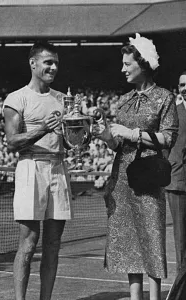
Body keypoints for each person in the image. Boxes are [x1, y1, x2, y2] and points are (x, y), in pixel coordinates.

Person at [93, 33, 178, 300]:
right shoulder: (123, 100)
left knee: (151, 238)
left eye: (128, 64)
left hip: (149, 177)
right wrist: (105, 135)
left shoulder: (164, 97)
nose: (123, 69)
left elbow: (168, 138)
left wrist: (131, 134)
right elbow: (116, 146)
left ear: (143, 64)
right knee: (129, 243)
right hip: (122, 180)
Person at [3, 41, 73, 300]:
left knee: (53, 245)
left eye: (56, 63)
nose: (53, 67)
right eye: (48, 62)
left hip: (58, 167)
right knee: (29, 243)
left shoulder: (62, 99)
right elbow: (12, 142)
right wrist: (43, 128)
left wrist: (81, 133)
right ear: (33, 63)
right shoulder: (16, 98)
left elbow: (68, 140)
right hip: (30, 167)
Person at [166, 71, 186, 274]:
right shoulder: (173, 113)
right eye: (182, 85)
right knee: (181, 238)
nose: (185, 88)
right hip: (178, 182)